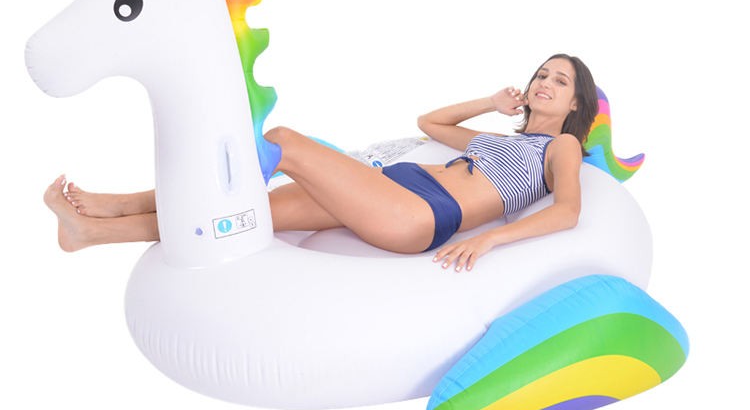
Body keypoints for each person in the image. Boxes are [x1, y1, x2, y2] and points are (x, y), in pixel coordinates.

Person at [43, 54, 598, 272]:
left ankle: (120, 202)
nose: (544, 83)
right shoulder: (494, 139)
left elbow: (567, 211)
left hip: (422, 213)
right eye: (540, 74)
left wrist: (491, 239)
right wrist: (491, 103)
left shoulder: (560, 148)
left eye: (559, 81)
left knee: (283, 139)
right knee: (251, 212)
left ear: (576, 104)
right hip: (392, 187)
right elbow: (430, 123)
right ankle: (92, 230)